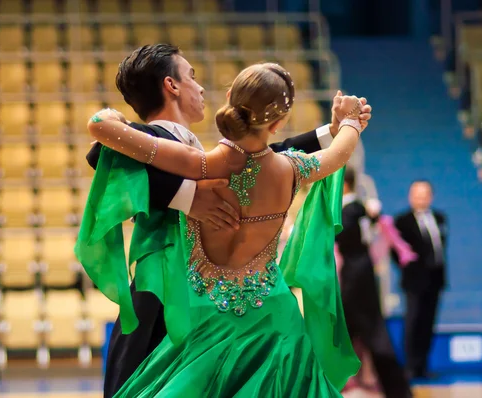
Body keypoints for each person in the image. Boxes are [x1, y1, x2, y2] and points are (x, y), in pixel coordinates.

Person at [84, 44, 373, 397]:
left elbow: (259, 155)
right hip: (171, 291)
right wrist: (347, 126)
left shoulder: (205, 160)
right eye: (191, 75)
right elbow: (100, 150)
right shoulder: (171, 143)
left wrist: (328, 130)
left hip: (205, 307)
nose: (201, 86)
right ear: (171, 86)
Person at [335, 169, 412, 398]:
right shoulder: (361, 209)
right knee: (362, 339)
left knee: (372, 338)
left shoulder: (349, 211)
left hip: (356, 284)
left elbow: (338, 235)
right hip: (360, 279)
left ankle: (398, 391)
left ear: (342, 185)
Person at [394, 180, 448, 380]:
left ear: (430, 196)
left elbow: (440, 249)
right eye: (416, 194)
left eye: (424, 194)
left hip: (435, 281)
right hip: (414, 283)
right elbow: (397, 253)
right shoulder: (402, 221)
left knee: (428, 324)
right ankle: (409, 367)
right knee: (413, 323)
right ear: (410, 196)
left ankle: (423, 365)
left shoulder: (440, 218)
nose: (420, 198)